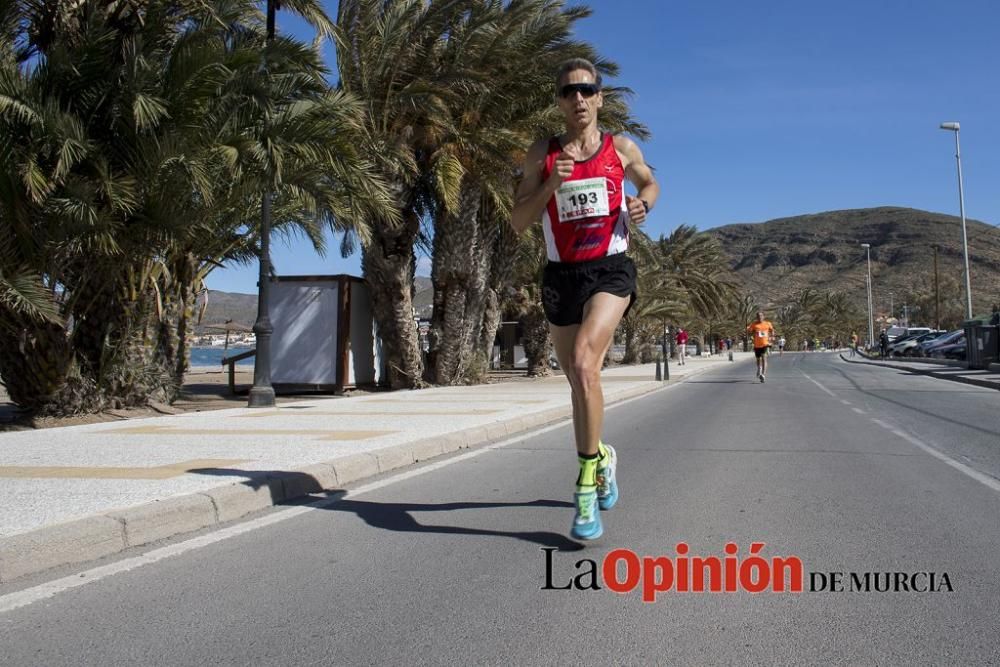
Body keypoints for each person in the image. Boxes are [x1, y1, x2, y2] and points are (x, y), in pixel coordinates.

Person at [510, 58, 660, 541]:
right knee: (578, 381)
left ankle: (583, 488)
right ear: (558, 101)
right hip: (561, 275)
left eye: (587, 90)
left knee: (583, 363)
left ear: (599, 98)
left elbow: (650, 182)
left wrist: (644, 204)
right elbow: (517, 221)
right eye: (568, 92)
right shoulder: (543, 154)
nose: (578, 98)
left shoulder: (620, 147)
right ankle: (602, 458)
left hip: (611, 268)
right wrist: (552, 184)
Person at [747, 311, 776, 382]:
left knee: (764, 358)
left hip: (765, 344)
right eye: (758, 316)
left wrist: (772, 336)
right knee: (758, 359)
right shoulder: (754, 324)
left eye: (761, 316)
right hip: (757, 344)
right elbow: (749, 331)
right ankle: (759, 368)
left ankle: (763, 374)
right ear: (756, 317)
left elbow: (772, 330)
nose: (759, 317)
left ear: (763, 316)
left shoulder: (768, 323)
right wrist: (749, 330)